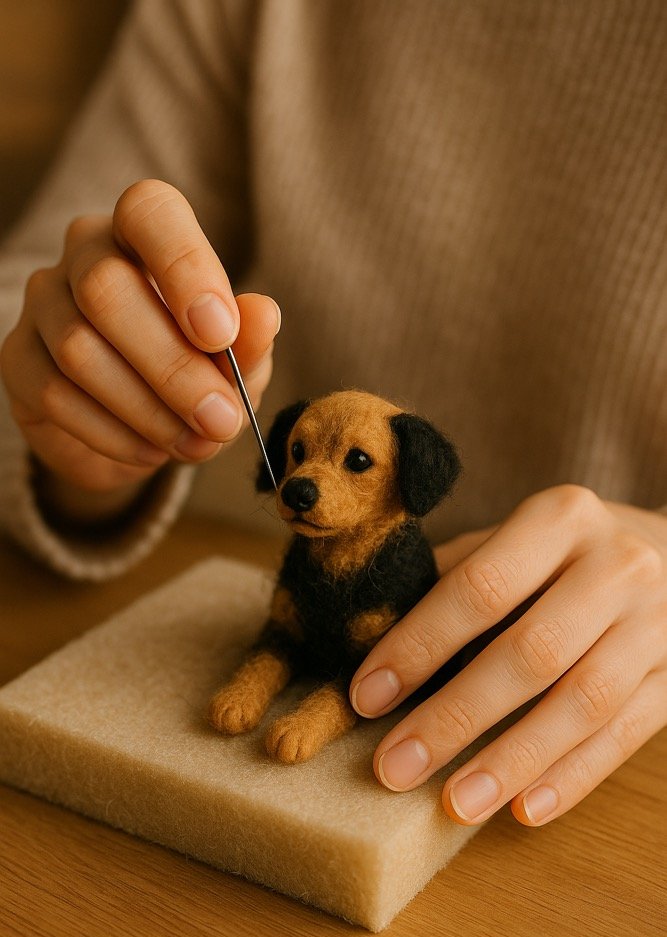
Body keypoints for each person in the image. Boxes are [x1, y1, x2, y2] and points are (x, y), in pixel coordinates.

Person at [0, 0, 665, 829]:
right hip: (159, 557)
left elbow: (363, 678)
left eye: (354, 463)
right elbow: (35, 280)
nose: (305, 483)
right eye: (299, 454)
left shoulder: (392, 573)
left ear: (412, 476)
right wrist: (72, 405)